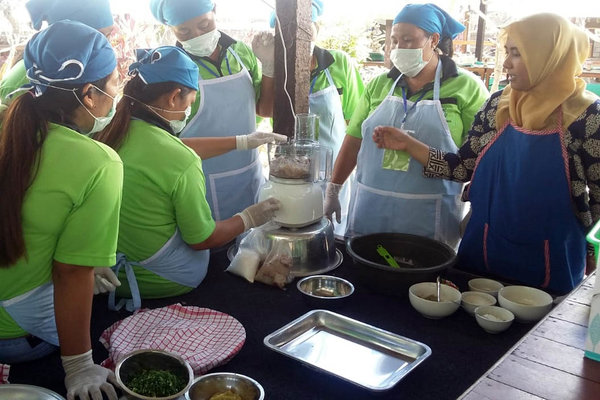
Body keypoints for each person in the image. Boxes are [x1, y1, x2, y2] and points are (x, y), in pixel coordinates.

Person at [373, 13, 600, 295]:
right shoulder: (499, 104)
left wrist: (593, 250)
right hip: (481, 250)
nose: (505, 64)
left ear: (549, 56)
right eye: (507, 52)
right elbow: (462, 168)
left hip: (550, 261)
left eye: (516, 54)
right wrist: (408, 144)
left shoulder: (586, 116)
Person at [94, 46, 281, 310]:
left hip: (111, 274)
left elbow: (166, 152)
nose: (187, 112)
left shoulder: (110, 131)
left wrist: (241, 142)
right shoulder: (179, 160)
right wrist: (249, 217)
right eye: (190, 103)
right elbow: (202, 239)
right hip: (166, 280)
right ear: (173, 98)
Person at [0, 21, 121, 399]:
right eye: (115, 82)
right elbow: (70, 273)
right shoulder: (98, 162)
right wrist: (79, 366)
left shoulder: (10, 123)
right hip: (16, 339)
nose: (118, 93)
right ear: (89, 94)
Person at [324, 3, 489, 248]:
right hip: (371, 209)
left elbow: (481, 158)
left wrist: (479, 208)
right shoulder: (379, 85)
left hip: (429, 215)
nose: (398, 48)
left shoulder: (467, 88)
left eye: (408, 40)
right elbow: (353, 140)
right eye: (394, 40)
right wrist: (333, 189)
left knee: (421, 281)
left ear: (433, 40)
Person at [150, 0, 276, 222]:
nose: (197, 34)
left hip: (248, 173)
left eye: (204, 24)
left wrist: (270, 68)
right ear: (171, 29)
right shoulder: (171, 70)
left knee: (251, 246)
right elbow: (165, 144)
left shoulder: (241, 52)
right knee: (211, 245)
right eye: (184, 31)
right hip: (199, 179)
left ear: (215, 11)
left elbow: (265, 109)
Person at [270, 0, 364, 237]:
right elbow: (264, 111)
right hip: (290, 174)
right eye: (287, 34)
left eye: (307, 28)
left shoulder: (338, 63)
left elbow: (356, 120)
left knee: (329, 234)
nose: (299, 37)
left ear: (317, 27)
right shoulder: (278, 71)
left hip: (333, 172)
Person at [0, 0, 115, 106]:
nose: (108, 46)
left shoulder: (72, 72)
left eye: (108, 35)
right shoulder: (27, 81)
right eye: (101, 37)